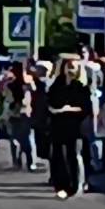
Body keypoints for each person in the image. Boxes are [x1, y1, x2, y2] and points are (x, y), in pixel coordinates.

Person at [36, 55, 97, 200]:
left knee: (74, 155)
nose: (70, 69)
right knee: (57, 156)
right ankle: (61, 186)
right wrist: (53, 110)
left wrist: (68, 109)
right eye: (68, 66)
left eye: (73, 67)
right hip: (58, 125)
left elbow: (86, 108)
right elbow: (49, 103)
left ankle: (77, 185)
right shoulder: (57, 85)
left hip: (76, 126)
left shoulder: (82, 86)